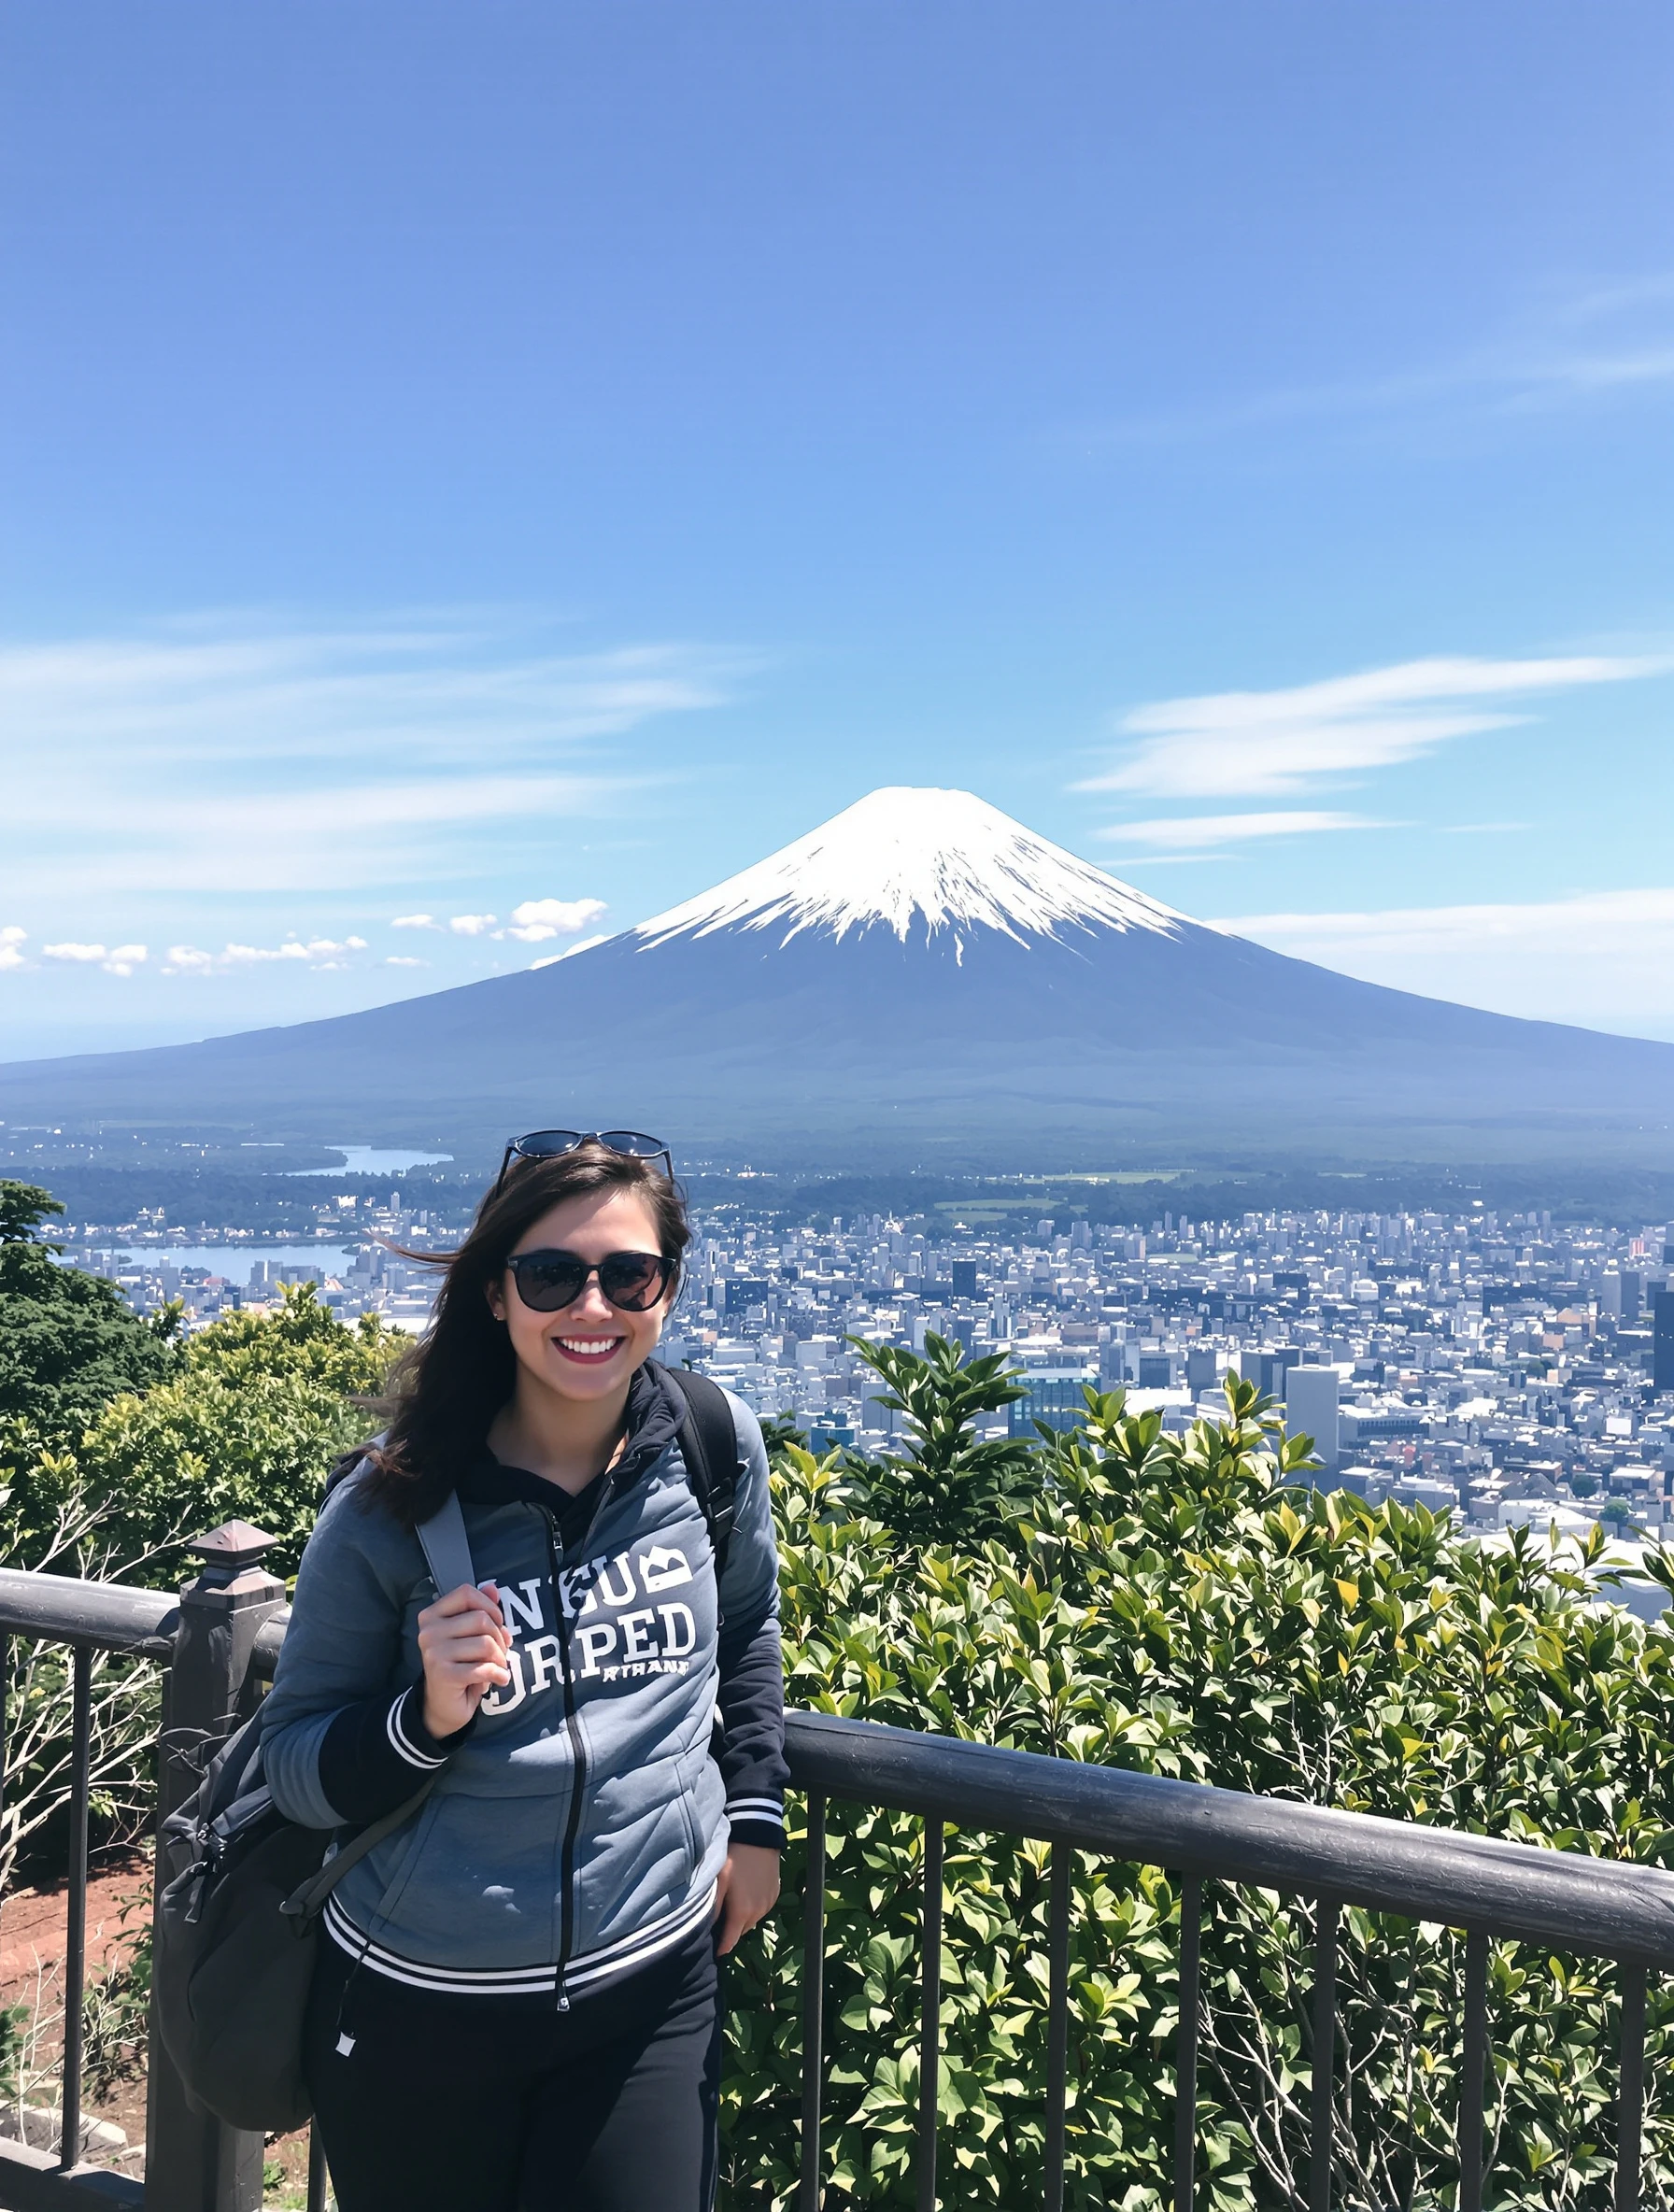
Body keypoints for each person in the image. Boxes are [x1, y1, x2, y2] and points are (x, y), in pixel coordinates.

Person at [261, 1132, 787, 2212]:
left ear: (667, 1290)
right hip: (420, 2003)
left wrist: (755, 1822)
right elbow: (294, 1764)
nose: (591, 1306)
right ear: (496, 1295)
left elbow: (746, 1635)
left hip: (652, 1982)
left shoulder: (710, 1445)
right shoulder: (390, 1505)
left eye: (625, 1274)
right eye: (551, 1274)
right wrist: (423, 1717)